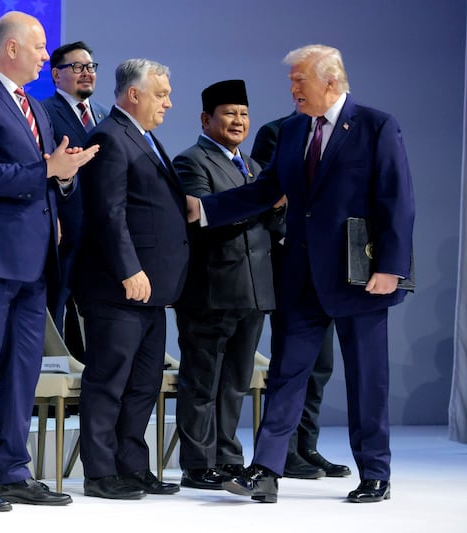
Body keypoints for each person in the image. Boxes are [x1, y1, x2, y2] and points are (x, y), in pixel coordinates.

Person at [186, 44, 414, 504]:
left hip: (361, 276)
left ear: (330, 81)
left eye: (299, 80)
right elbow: (268, 190)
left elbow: (396, 198)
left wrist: (392, 267)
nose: (291, 89)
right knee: (287, 374)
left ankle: (375, 473)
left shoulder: (375, 126)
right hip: (302, 276)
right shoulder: (292, 131)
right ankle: (266, 470)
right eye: (291, 81)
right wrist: (206, 210)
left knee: (367, 378)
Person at [0, 11, 98, 511]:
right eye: (39, 48)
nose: (44, 56)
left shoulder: (35, 105)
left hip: (34, 261)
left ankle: (13, 469)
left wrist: (63, 175)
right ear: (11, 48)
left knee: (23, 370)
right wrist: (47, 169)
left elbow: (45, 176)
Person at [72, 58, 189, 500]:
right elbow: (108, 212)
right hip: (118, 287)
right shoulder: (109, 136)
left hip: (151, 291)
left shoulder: (142, 137)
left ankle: (133, 466)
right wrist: (128, 269)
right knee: (108, 380)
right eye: (161, 94)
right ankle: (100, 473)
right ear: (134, 94)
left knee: (143, 384)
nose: (168, 103)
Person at [173, 79, 282, 490]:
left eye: (244, 114)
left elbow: (271, 223)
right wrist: (260, 202)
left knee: (236, 379)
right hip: (211, 288)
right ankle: (198, 464)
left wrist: (278, 208)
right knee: (201, 378)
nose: (239, 121)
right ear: (206, 119)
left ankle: (228, 456)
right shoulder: (191, 162)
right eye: (229, 113)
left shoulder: (254, 166)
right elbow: (202, 217)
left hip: (254, 290)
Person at [251, 114, 351, 480]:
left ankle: (306, 446)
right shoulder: (278, 131)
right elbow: (267, 193)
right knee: (291, 363)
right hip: (290, 258)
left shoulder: (347, 131)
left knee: (321, 365)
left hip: (328, 265)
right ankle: (285, 450)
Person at [41, 40, 109, 361]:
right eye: (77, 67)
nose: (87, 74)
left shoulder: (103, 115)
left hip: (99, 232)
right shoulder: (44, 112)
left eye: (91, 67)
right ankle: (48, 378)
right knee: (56, 304)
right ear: (56, 75)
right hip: (63, 228)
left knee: (94, 308)